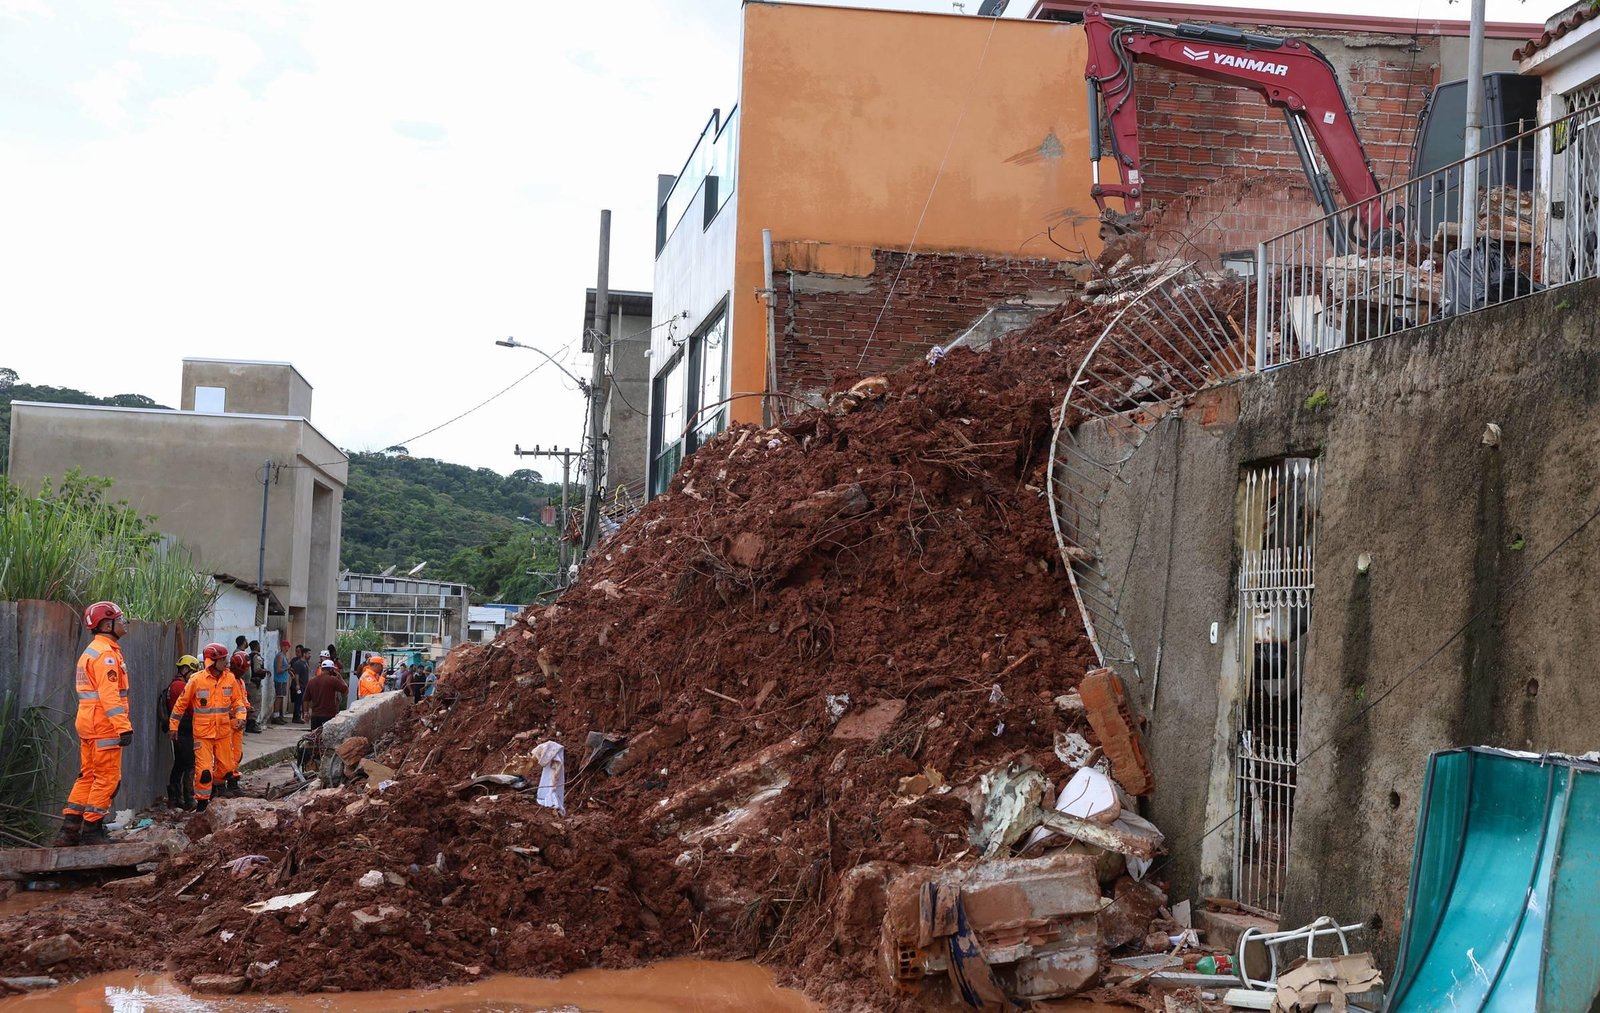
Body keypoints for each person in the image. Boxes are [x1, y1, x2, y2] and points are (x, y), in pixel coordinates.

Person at [55, 601, 133, 847]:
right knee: (107, 778)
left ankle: (69, 830)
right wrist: (123, 726)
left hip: (88, 723)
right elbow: (109, 696)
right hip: (104, 725)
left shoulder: (92, 651)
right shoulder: (106, 655)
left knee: (87, 776)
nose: (124, 623)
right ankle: (91, 831)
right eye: (120, 619)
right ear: (107, 624)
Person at [169, 643, 247, 812]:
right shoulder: (196, 680)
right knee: (204, 771)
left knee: (227, 769)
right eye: (223, 659)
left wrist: (241, 717)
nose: (226, 662)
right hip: (203, 734)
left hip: (223, 733)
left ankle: (214, 786)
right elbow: (181, 704)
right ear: (212, 661)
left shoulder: (230, 679)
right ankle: (202, 803)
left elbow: (238, 702)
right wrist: (173, 726)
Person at [166, 654, 200, 809]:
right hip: (184, 728)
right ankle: (189, 799)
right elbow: (191, 707)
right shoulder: (180, 686)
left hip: (179, 728)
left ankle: (175, 798)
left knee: (179, 764)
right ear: (185, 669)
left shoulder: (174, 685)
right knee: (189, 764)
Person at [224, 650, 251, 794]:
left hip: (238, 725)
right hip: (227, 724)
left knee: (236, 755)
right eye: (241, 670)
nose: (243, 673)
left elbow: (242, 700)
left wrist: (247, 708)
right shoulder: (226, 680)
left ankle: (233, 782)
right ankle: (219, 784)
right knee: (224, 756)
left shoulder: (240, 682)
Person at [305, 659, 348, 730]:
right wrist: (340, 678)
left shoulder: (311, 681)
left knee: (315, 735)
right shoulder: (333, 680)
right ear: (331, 670)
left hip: (315, 716)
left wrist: (306, 713)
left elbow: (306, 699)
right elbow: (346, 691)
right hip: (329, 716)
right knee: (327, 736)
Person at [247, 639, 269, 732]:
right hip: (255, 683)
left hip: (249, 682)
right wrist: (266, 671)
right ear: (256, 646)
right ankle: (252, 723)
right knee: (256, 703)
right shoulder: (256, 657)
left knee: (250, 702)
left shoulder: (248, 656)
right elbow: (257, 669)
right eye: (259, 645)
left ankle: (249, 722)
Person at [270, 639, 291, 725]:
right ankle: (275, 716)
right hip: (279, 680)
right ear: (283, 647)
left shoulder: (284, 656)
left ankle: (279, 716)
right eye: (287, 646)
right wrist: (287, 668)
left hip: (283, 680)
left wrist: (290, 672)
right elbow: (278, 670)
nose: (288, 648)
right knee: (278, 698)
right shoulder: (280, 656)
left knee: (281, 698)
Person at [288, 645, 309, 724]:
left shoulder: (305, 662)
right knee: (298, 700)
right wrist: (297, 685)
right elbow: (296, 674)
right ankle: (296, 717)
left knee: (302, 700)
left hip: (303, 685)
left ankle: (301, 716)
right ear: (304, 654)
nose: (310, 655)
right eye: (308, 653)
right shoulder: (297, 663)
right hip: (299, 686)